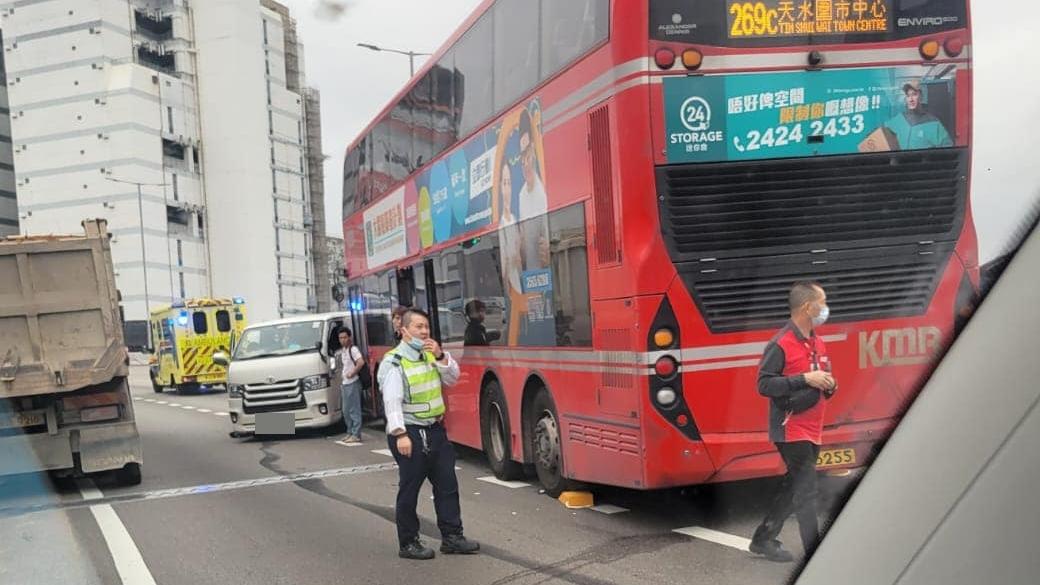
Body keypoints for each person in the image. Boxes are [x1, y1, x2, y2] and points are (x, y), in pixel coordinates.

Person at [749, 281, 838, 563]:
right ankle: (816, 553)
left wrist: (829, 383)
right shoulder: (780, 344)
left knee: (794, 486)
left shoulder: (817, 340)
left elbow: (824, 376)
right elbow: (763, 384)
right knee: (807, 490)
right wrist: (804, 379)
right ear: (806, 307)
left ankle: (763, 539)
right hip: (790, 429)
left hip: (813, 427)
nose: (825, 307)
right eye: (822, 302)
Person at [382, 308, 479, 560]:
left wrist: (441, 355)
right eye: (418, 327)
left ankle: (452, 537)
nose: (424, 331)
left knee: (447, 485)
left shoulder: (429, 355)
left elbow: (453, 379)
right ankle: (409, 542)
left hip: (435, 430)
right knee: (410, 489)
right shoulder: (394, 362)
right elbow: (392, 402)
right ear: (403, 331)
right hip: (410, 433)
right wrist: (400, 434)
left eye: (426, 326)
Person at [516, 111, 550, 271]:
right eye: (522, 158)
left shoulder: (544, 191)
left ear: (534, 150)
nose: (525, 164)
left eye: (528, 155)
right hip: (531, 275)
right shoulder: (521, 195)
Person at [883, 80, 953, 150]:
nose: (911, 99)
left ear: (921, 96)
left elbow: (948, 148)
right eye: (908, 96)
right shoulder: (899, 120)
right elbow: (882, 135)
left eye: (914, 94)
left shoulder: (933, 122)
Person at [335, 327, 365, 444]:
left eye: (345, 337)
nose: (343, 340)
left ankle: (356, 433)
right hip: (345, 383)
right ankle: (350, 432)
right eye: (341, 338)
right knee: (346, 410)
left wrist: (352, 373)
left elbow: (360, 362)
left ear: (349, 337)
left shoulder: (353, 349)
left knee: (354, 409)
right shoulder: (343, 350)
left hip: (353, 382)